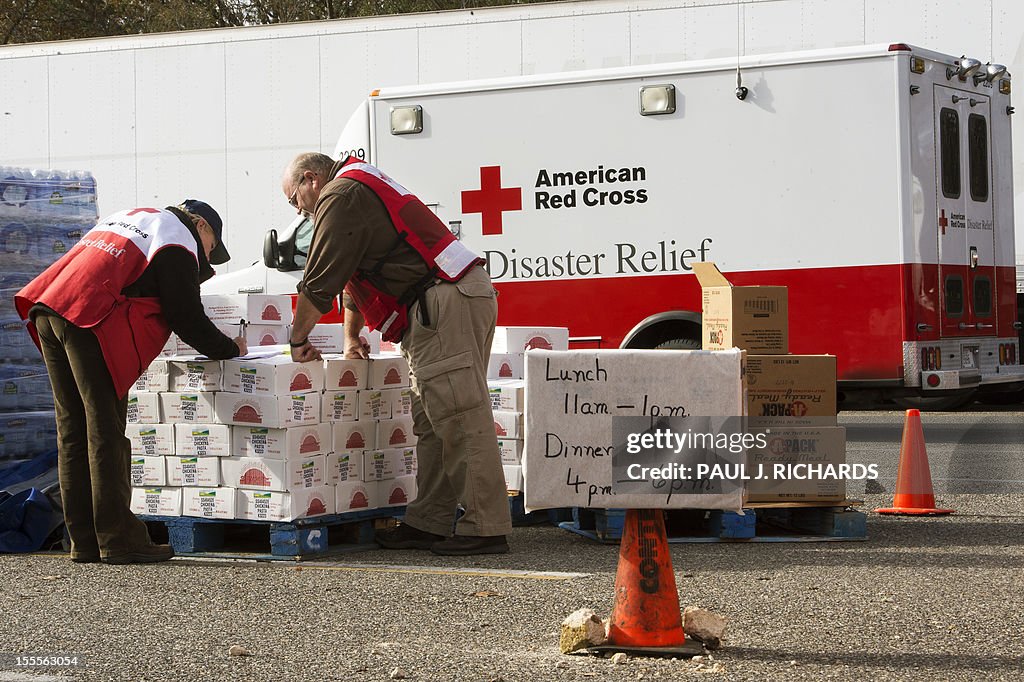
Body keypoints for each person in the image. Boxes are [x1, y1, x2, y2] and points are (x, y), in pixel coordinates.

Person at [282, 152, 512, 555]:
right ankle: (430, 521)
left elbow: (319, 280)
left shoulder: (340, 195)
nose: (299, 211)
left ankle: (486, 525)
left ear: (310, 179)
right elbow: (352, 277)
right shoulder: (357, 185)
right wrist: (352, 338)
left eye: (294, 199)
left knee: (459, 414)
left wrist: (298, 339)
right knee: (434, 418)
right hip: (448, 298)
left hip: (441, 302)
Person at [15, 200, 247, 565]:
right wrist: (231, 348)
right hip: (85, 318)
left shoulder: (134, 218)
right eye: (211, 246)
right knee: (104, 430)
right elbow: (186, 316)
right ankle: (118, 539)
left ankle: (85, 541)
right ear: (200, 225)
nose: (207, 256)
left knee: (73, 432)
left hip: (49, 309)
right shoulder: (176, 237)